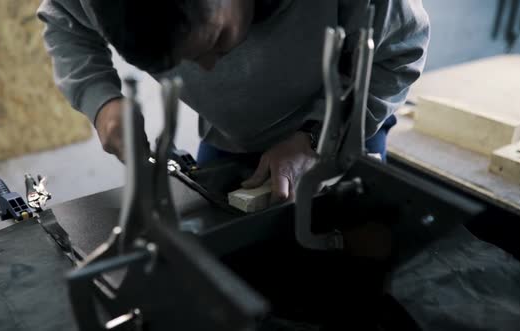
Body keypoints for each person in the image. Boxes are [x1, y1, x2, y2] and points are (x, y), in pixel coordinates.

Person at [37, 0, 430, 203]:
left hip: (343, 121)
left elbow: (399, 53)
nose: (207, 71)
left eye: (218, 41)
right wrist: (101, 101)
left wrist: (315, 138)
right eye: (180, 63)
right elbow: (64, 20)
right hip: (230, 136)